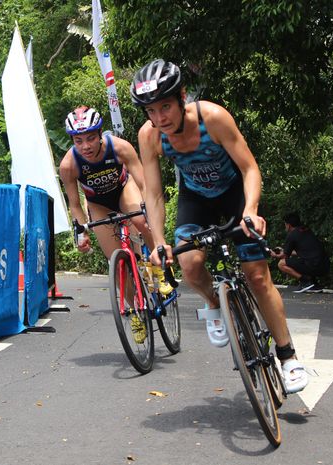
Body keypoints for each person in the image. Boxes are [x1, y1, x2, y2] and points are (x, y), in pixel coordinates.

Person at [131, 59, 307, 394]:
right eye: (150, 111)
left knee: (257, 275)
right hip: (195, 200)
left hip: (234, 197)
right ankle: (215, 304)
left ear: (182, 96)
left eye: (165, 107)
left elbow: (250, 168)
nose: (159, 119)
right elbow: (153, 193)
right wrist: (158, 241)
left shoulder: (213, 118)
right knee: (190, 265)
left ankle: (288, 358)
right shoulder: (150, 136)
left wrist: (251, 210)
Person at [59, 105, 172, 297]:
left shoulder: (120, 147)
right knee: (117, 263)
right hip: (97, 203)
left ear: (100, 134)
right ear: (72, 141)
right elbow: (75, 205)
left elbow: (144, 183)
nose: (85, 146)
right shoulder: (68, 165)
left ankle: (160, 269)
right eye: (78, 141)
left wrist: (148, 208)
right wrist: (81, 234)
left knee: (141, 221)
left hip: (123, 190)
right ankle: (134, 313)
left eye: (91, 138)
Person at [271, 212, 329, 293]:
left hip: (314, 265)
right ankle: (314, 284)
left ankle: (305, 282)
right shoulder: (306, 230)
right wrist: (284, 250)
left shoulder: (292, 235)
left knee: (281, 264)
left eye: (285, 224)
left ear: (288, 225)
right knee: (305, 259)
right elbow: (305, 251)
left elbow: (284, 256)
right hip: (325, 266)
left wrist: (275, 255)